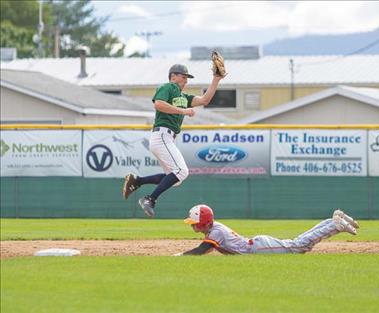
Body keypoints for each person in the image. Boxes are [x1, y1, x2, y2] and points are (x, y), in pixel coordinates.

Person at [122, 64, 225, 217]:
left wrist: (216, 79)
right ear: (173, 76)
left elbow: (205, 100)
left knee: (175, 179)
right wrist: (183, 111)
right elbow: (159, 104)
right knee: (182, 171)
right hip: (162, 135)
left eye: (187, 78)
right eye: (183, 77)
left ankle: (137, 181)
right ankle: (150, 199)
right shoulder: (168, 87)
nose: (186, 81)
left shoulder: (184, 97)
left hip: (167, 138)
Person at [174, 204, 359, 256]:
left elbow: (202, 250)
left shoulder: (215, 232)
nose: (191, 224)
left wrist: (181, 256)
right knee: (297, 243)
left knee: (298, 247)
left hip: (256, 247)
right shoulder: (214, 229)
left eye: (193, 221)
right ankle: (332, 219)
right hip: (257, 244)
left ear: (204, 221)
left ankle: (335, 225)